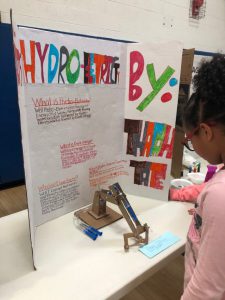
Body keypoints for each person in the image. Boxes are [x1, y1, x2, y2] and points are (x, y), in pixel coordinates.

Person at [180, 54, 225, 299]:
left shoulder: (219, 195)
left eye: (190, 140)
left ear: (205, 132)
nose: (191, 145)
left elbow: (206, 291)